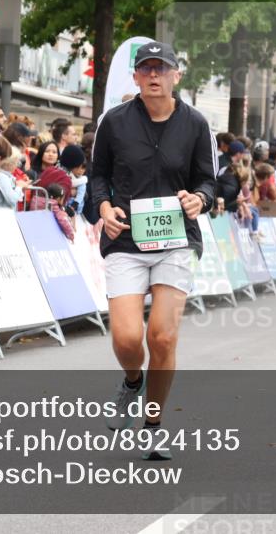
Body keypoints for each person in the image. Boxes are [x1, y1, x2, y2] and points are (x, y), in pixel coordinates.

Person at [89, 41, 215, 461]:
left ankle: (154, 425)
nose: (154, 75)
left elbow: (208, 182)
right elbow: (98, 176)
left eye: (162, 68)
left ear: (177, 75)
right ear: (136, 77)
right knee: (128, 338)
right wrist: (104, 209)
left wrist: (200, 199)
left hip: (177, 240)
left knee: (162, 335)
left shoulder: (196, 124)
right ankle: (130, 380)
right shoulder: (115, 122)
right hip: (125, 238)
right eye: (146, 69)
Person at [59, 143, 87, 216]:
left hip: (74, 208)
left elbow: (81, 193)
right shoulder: (61, 172)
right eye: (78, 166)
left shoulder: (80, 179)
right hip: (62, 207)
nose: (80, 170)